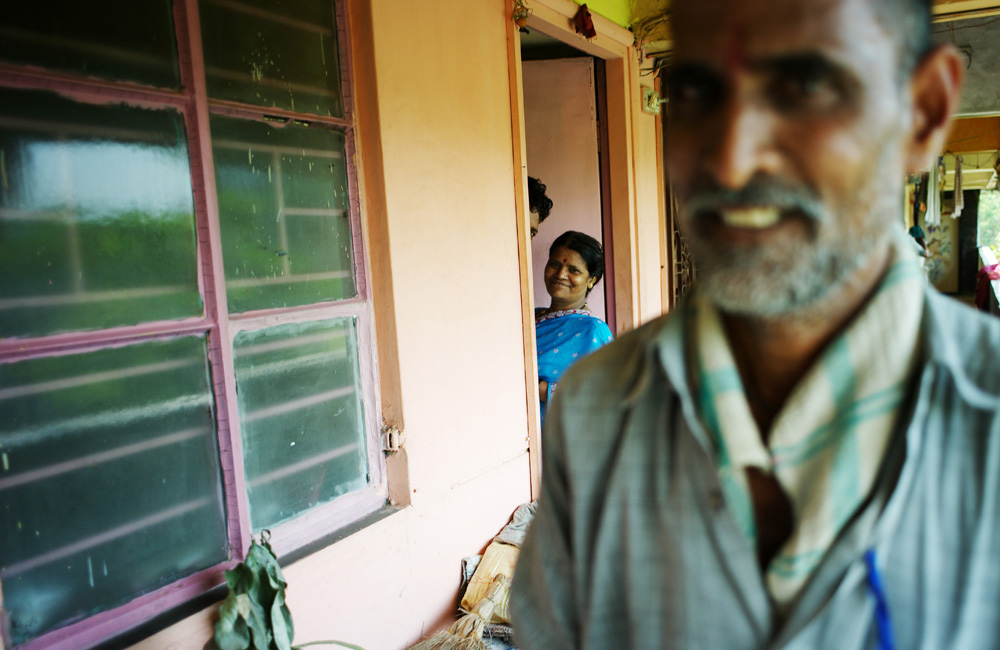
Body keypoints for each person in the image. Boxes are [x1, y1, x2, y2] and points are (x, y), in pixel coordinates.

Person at [512, 0, 999, 648]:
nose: (732, 159)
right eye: (695, 91)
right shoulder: (597, 408)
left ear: (924, 109)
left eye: (804, 86)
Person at [535, 231, 613, 427]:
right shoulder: (531, 317)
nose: (560, 275)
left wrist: (542, 390)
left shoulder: (593, 331)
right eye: (555, 264)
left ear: (592, 279)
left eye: (574, 270)